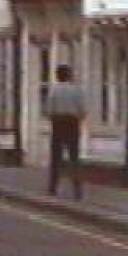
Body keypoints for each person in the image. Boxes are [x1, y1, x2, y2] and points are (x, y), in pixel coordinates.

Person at [45, 64, 86, 198]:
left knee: (56, 157)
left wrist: (54, 118)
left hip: (58, 123)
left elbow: (49, 110)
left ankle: (53, 187)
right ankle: (77, 190)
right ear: (69, 75)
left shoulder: (54, 91)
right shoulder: (76, 90)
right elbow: (83, 110)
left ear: (58, 76)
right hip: (72, 123)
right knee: (74, 157)